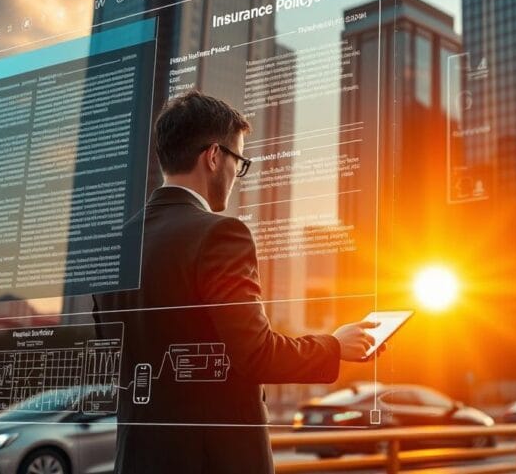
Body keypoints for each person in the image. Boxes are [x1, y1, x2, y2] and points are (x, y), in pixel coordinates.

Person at [94, 91, 380, 473]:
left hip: (137, 459)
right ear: (213, 157)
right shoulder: (221, 234)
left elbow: (114, 360)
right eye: (239, 162)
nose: (236, 176)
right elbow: (256, 354)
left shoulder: (114, 246)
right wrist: (334, 346)